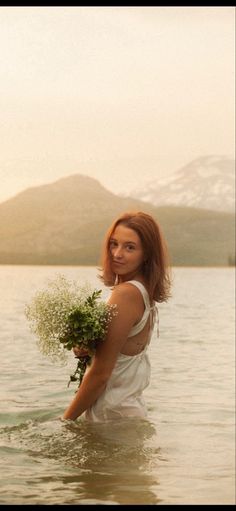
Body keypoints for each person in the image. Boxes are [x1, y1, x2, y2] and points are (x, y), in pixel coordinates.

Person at [62, 211, 171, 422]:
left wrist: (66, 420)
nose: (117, 254)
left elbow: (101, 374)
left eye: (129, 247)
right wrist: (88, 349)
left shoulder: (126, 294)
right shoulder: (143, 292)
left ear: (146, 254)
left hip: (111, 420)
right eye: (114, 244)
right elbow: (121, 355)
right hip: (125, 415)